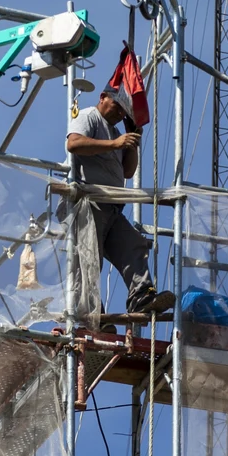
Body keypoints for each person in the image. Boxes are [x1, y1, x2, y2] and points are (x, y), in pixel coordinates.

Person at [65, 85, 172, 316]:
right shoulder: (88, 116)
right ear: (103, 97)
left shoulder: (116, 133)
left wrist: (132, 142)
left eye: (124, 112)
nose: (120, 114)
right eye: (117, 107)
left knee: (133, 245)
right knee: (88, 260)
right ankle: (90, 314)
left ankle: (141, 296)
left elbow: (128, 171)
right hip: (88, 204)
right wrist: (115, 144)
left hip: (112, 207)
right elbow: (73, 143)